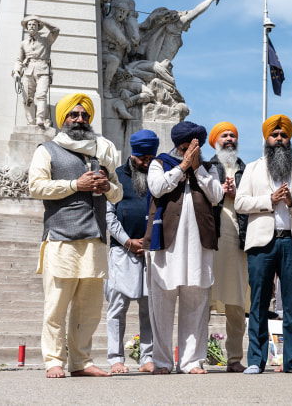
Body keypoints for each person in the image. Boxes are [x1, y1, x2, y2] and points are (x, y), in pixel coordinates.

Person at [28, 93, 122, 378]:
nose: (79, 120)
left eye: (84, 115)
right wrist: (75, 184)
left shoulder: (101, 153)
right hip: (61, 238)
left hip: (94, 239)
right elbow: (36, 187)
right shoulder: (47, 150)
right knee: (56, 305)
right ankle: (53, 361)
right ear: (64, 119)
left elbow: (117, 194)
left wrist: (106, 187)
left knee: (90, 308)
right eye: (73, 115)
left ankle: (80, 361)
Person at [235, 115, 292, 374]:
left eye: (283, 135)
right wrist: (269, 200)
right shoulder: (252, 168)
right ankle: (255, 360)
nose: (279, 139)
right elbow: (240, 203)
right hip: (261, 244)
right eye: (274, 135)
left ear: (289, 139)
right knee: (259, 303)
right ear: (267, 139)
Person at [144, 121, 224, 374]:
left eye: (194, 147)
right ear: (179, 146)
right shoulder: (160, 163)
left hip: (199, 247)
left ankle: (191, 361)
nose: (190, 151)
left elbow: (217, 195)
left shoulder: (209, 168)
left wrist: (197, 168)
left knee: (196, 304)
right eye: (186, 147)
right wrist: (181, 168)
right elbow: (156, 188)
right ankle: (162, 362)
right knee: (161, 305)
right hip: (165, 247)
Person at [105, 130, 159, 374]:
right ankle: (116, 359)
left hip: (150, 251)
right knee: (117, 307)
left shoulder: (157, 175)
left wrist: (148, 242)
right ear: (132, 155)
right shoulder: (116, 176)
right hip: (122, 250)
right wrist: (128, 242)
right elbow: (108, 215)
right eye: (142, 158)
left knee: (149, 307)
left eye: (150, 158)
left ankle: (147, 358)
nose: (146, 163)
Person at [206, 121, 249, 373]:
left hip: (238, 241)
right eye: (224, 135)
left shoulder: (247, 169)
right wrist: (219, 192)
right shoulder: (206, 167)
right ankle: (196, 357)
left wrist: (237, 195)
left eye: (233, 135)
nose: (229, 139)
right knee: (204, 301)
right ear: (215, 141)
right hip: (212, 240)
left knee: (236, 303)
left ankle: (234, 358)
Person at [13, 15, 60, 128]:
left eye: (34, 24)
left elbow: (56, 30)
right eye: (29, 24)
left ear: (38, 26)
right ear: (26, 27)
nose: (31, 26)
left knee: (41, 95)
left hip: (43, 70)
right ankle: (30, 121)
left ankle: (40, 118)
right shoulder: (24, 43)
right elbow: (19, 60)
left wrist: (43, 21)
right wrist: (16, 72)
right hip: (28, 71)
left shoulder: (46, 39)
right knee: (27, 99)